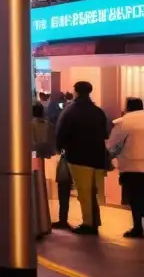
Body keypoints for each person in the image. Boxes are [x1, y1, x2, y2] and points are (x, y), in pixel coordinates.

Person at [55, 81, 111, 235]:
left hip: (78, 156)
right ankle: (94, 221)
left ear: (76, 91)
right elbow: (105, 133)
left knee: (84, 191)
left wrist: (60, 147)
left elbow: (61, 133)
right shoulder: (98, 111)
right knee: (93, 191)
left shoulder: (71, 110)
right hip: (97, 156)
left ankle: (88, 224)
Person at [108, 97, 144, 238]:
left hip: (131, 167)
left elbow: (112, 144)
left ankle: (137, 227)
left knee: (135, 198)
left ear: (127, 107)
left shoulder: (123, 122)